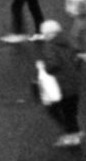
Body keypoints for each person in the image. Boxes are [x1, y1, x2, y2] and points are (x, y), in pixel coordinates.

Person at [33, 20, 82, 148]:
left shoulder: (49, 46)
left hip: (62, 85)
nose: (44, 36)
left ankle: (71, 135)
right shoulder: (68, 41)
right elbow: (77, 58)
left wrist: (43, 67)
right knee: (71, 111)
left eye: (44, 34)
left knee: (55, 109)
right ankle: (75, 132)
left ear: (49, 34)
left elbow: (53, 65)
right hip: (73, 83)